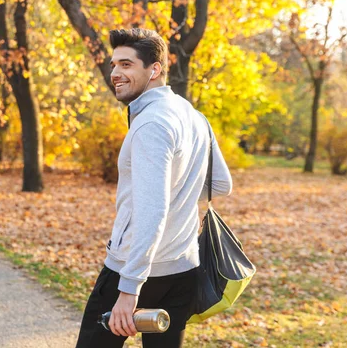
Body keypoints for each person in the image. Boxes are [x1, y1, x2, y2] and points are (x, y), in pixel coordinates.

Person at [75, 29, 232, 348]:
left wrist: (129, 288)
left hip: (134, 272)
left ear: (155, 69)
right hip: (183, 268)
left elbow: (152, 211)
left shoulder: (151, 125)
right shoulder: (194, 116)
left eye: (127, 65)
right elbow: (220, 185)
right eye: (114, 64)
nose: (115, 73)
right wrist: (178, 193)